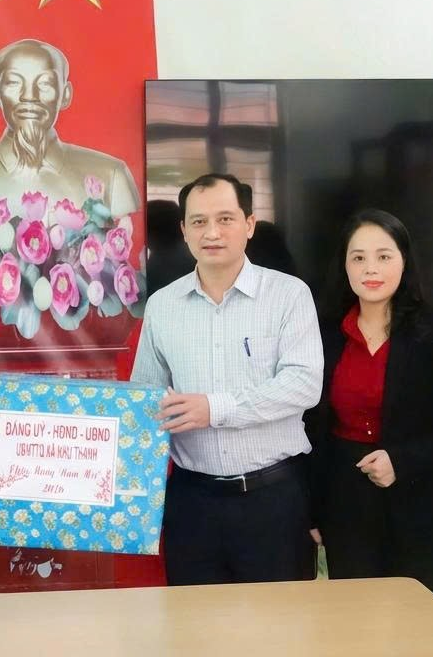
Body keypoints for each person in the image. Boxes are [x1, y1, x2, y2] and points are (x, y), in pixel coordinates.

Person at [130, 173, 323, 585]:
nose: (212, 232)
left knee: (279, 621)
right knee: (196, 621)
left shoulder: (289, 295)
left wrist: (215, 408)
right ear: (184, 230)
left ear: (249, 224)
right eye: (199, 222)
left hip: (272, 500)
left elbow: (304, 384)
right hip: (192, 503)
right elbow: (143, 400)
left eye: (225, 219)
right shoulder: (162, 306)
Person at [307, 209, 433, 604]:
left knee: (420, 624)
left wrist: (402, 461)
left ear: (404, 262)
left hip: (424, 504)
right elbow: (311, 428)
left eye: (384, 256)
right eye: (358, 257)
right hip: (346, 507)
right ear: (344, 266)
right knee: (356, 622)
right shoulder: (323, 334)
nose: (370, 268)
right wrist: (314, 510)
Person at [0, 38, 141, 219]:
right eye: (14, 82)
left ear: (65, 94)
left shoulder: (111, 176)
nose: (29, 96)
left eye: (45, 83)